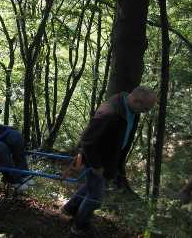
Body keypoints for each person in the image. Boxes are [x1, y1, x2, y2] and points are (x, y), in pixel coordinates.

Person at [62, 86, 156, 237]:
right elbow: (87, 141)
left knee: (90, 188)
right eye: (145, 108)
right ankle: (79, 226)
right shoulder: (110, 113)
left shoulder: (130, 109)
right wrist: (97, 165)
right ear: (137, 101)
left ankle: (69, 209)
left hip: (107, 160)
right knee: (95, 198)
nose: (145, 112)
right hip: (97, 161)